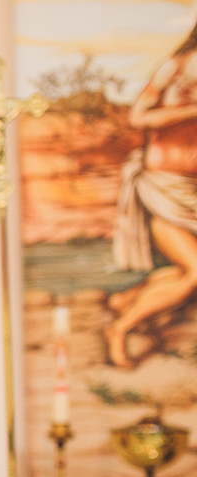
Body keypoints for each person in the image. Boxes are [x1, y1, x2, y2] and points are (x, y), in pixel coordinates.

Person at [109, 20, 197, 367]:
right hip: (163, 188)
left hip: (192, 189)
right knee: (195, 272)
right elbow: (139, 117)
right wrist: (191, 111)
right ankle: (120, 328)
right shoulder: (174, 68)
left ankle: (128, 299)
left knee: (185, 267)